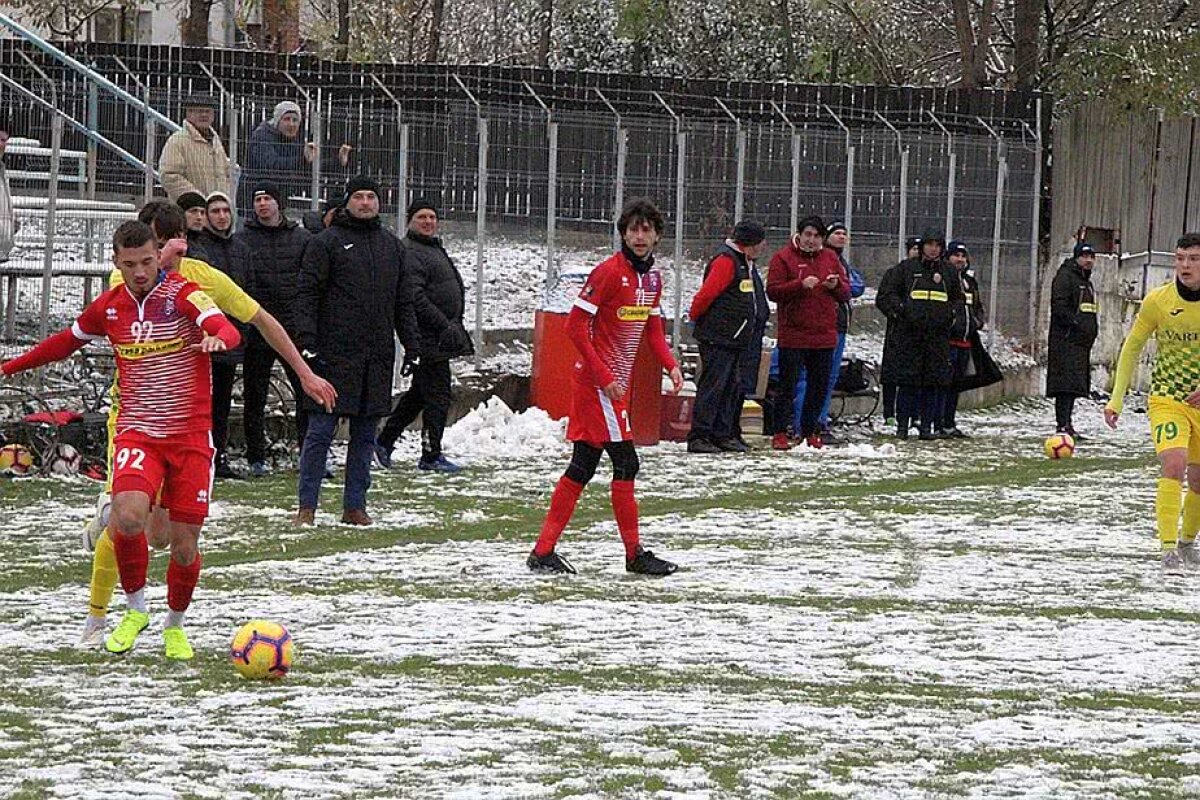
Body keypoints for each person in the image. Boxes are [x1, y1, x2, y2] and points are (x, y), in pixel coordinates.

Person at [75, 199, 337, 647]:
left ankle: (119, 536)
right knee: (126, 518)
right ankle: (97, 619)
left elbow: (261, 320)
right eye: (148, 248)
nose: (152, 259)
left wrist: (305, 373)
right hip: (133, 419)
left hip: (183, 426)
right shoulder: (126, 278)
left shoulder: (203, 280)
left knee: (160, 538)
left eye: (163, 246)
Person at [2, 221, 242, 659]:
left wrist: (216, 337)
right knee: (127, 517)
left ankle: (175, 626)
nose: (140, 272)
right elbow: (62, 344)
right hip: (138, 432)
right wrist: (7, 368)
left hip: (190, 437)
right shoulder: (110, 308)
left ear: (158, 257)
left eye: (147, 262)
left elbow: (226, 328)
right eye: (130, 264)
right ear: (116, 262)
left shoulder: (183, 295)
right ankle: (135, 609)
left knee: (183, 546)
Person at [527, 198, 684, 576]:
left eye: (647, 229)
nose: (640, 236)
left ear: (658, 236)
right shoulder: (609, 273)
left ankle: (543, 551)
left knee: (582, 465)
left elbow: (652, 330)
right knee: (627, 462)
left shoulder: (653, 279)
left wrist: (671, 365)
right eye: (633, 229)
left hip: (615, 385)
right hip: (597, 385)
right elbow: (574, 327)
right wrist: (605, 376)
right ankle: (634, 554)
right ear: (623, 234)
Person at [294, 176, 415, 526]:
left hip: (375, 356)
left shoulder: (392, 246)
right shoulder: (326, 243)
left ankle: (355, 507)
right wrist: (307, 342)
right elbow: (307, 294)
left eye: (371, 197)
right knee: (320, 432)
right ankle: (307, 507)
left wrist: (412, 345)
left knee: (365, 433)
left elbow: (403, 301)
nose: (365, 203)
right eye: (359, 197)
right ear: (347, 202)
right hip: (331, 355)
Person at [1105, 233, 1200, 575]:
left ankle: (1188, 544)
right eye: (1180, 258)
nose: (1185, 265)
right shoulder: (1157, 301)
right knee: (1174, 463)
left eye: (1193, 258)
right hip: (1167, 399)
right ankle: (1168, 550)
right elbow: (1132, 347)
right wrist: (1116, 398)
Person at [375, 198, 472, 472]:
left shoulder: (431, 248)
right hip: (427, 336)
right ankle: (431, 455)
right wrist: (443, 324)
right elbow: (415, 296)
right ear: (410, 221)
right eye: (422, 217)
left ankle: (384, 441)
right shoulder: (411, 251)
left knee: (420, 394)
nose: (428, 222)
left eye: (432, 217)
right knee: (438, 397)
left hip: (441, 335)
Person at [235, 181, 313, 476]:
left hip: (292, 328)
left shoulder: (301, 239)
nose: (263, 204)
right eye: (258, 199)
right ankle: (256, 457)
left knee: (306, 390)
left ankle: (311, 453)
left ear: (279, 203)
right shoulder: (243, 240)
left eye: (268, 198)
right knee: (255, 395)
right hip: (257, 327)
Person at [686, 219, 768, 454]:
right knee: (714, 387)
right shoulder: (727, 262)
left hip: (737, 338)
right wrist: (697, 319)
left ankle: (725, 433)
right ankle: (700, 435)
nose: (762, 248)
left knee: (733, 388)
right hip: (720, 337)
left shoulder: (744, 263)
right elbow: (705, 295)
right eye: (760, 243)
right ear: (749, 243)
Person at [766, 215, 849, 450]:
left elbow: (845, 293)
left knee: (818, 387)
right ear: (799, 235)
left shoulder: (831, 258)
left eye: (816, 236)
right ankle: (780, 432)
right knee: (787, 386)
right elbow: (773, 291)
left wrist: (836, 286)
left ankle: (811, 431)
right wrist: (799, 285)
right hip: (793, 335)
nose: (811, 240)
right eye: (808, 235)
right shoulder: (783, 258)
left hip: (823, 336)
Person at [875, 228, 962, 440]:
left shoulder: (948, 272)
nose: (933, 249)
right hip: (910, 335)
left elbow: (957, 299)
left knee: (933, 382)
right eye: (929, 244)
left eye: (937, 245)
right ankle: (902, 425)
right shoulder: (906, 269)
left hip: (938, 336)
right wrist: (902, 313)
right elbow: (886, 297)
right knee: (908, 382)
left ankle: (926, 427)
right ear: (922, 246)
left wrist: (950, 315)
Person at [196, 191, 253, 478]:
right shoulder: (199, 249)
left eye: (225, 211)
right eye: (214, 211)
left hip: (230, 340)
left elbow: (247, 293)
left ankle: (219, 458)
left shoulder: (240, 249)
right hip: (203, 339)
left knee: (221, 404)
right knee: (200, 405)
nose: (220, 216)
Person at [240, 100, 351, 213]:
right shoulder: (262, 136)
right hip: (253, 201)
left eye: (295, 120)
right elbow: (271, 164)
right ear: (278, 120)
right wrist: (302, 159)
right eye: (287, 119)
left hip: (278, 201)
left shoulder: (294, 140)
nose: (291, 124)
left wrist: (337, 161)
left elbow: (308, 167)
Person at [1047, 242, 1099, 439]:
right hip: (1066, 341)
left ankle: (1068, 424)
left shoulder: (1086, 282)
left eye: (1091, 257)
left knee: (1073, 385)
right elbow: (1060, 307)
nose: (1088, 261)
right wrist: (1076, 325)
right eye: (1085, 256)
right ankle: (1062, 425)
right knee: (1064, 386)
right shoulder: (1065, 277)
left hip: (1080, 344)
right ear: (1077, 258)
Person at [940, 240, 985, 437]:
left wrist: (977, 322)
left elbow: (977, 306)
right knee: (943, 384)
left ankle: (949, 422)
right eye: (955, 255)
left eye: (962, 256)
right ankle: (937, 422)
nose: (960, 259)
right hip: (948, 341)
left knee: (956, 384)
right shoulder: (942, 279)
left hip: (966, 341)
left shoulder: (969, 281)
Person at [881, 235, 923, 427]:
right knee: (892, 372)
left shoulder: (929, 274)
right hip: (897, 331)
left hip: (920, 332)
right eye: (913, 248)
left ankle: (913, 414)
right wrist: (897, 313)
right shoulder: (896, 272)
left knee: (915, 375)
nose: (916, 251)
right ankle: (889, 412)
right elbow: (883, 298)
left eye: (918, 248)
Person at [159, 94, 231, 203]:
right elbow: (169, 176)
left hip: (216, 210)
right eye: (199, 111)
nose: (204, 115)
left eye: (208, 111)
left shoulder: (216, 141)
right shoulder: (177, 141)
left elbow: (225, 173)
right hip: (188, 212)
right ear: (188, 113)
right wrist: (196, 199)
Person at [0, 121, 18, 263]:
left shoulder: (2, 169)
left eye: (5, 141)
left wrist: (13, 222)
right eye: (0, 140)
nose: (3, 145)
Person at [177, 191, 209, 259]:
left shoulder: (208, 243)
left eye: (202, 213)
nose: (199, 217)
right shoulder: (172, 242)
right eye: (194, 211)